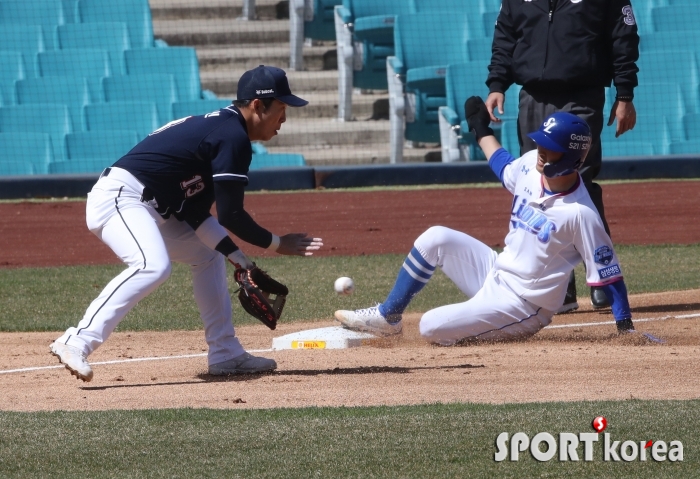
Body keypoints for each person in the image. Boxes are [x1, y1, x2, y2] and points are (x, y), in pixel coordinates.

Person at [49, 65, 323, 382]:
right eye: (281, 108)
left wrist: (240, 259)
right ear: (257, 106)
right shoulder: (231, 136)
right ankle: (76, 340)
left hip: (151, 208)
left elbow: (196, 215)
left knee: (206, 255)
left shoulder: (225, 131)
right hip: (120, 198)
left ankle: (226, 353)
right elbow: (231, 215)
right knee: (153, 265)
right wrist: (278, 243)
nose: (284, 120)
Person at [335, 98, 634, 345]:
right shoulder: (531, 165)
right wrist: (479, 128)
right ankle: (388, 317)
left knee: (430, 326)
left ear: (570, 156)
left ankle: (490, 329)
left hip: (525, 305)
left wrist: (626, 328)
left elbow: (610, 275)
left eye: (549, 147)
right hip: (495, 271)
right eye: (540, 144)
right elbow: (502, 163)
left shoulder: (580, 213)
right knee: (435, 237)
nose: (541, 152)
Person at [484, 0, 640, 313]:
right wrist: (497, 83)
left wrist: (624, 94)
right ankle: (559, 289)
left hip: (583, 95)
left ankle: (603, 279)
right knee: (537, 183)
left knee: (576, 180)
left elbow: (623, 37)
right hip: (533, 95)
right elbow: (505, 35)